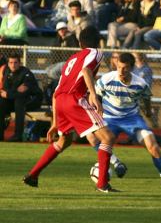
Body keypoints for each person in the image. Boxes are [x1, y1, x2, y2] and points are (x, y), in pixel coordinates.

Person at [23, 26, 119, 193]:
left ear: (80, 43)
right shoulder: (96, 52)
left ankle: (33, 175)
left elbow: (55, 93)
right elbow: (86, 70)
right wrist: (94, 96)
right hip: (74, 99)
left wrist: (55, 123)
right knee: (108, 137)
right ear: (98, 41)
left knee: (63, 141)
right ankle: (102, 184)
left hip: (60, 100)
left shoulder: (72, 59)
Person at [87, 52, 161, 184]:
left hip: (132, 119)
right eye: (119, 67)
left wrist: (148, 112)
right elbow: (93, 96)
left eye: (125, 68)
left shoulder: (140, 84)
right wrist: (96, 108)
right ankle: (116, 163)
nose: (121, 71)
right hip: (109, 118)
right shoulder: (106, 79)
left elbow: (146, 99)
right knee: (91, 136)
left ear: (132, 68)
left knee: (152, 145)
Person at [0, 53, 43, 142]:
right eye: (11, 62)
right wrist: (11, 93)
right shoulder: (6, 72)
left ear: (20, 63)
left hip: (33, 100)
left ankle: (18, 135)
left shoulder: (26, 73)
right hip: (15, 99)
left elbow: (23, 92)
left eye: (15, 62)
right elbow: (4, 90)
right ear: (8, 63)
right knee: (2, 102)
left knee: (19, 101)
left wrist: (9, 94)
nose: (13, 65)